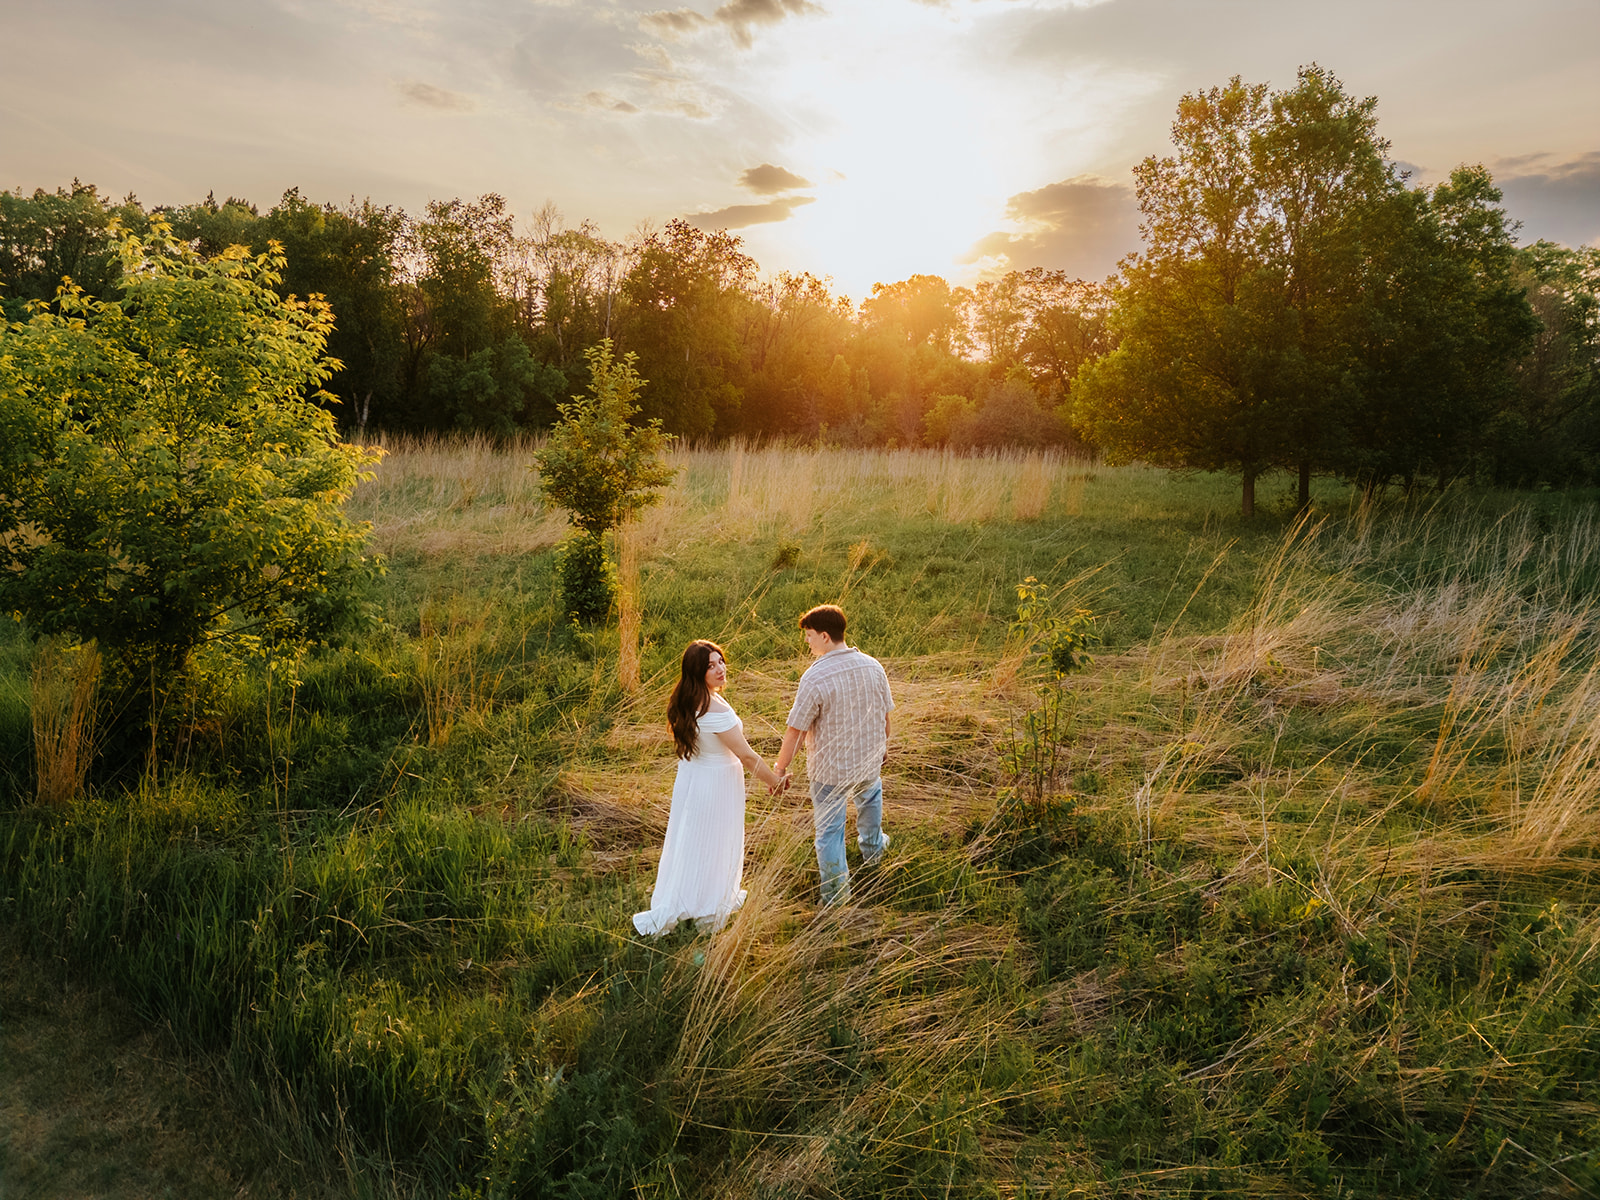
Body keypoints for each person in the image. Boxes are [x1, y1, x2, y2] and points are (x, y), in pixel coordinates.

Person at [633, 639, 786, 936]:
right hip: (716, 783)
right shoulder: (715, 709)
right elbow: (746, 755)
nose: (720, 669)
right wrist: (775, 782)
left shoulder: (688, 699)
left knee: (693, 842)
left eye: (720, 661)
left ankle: (696, 898)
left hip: (695, 778)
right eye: (710, 666)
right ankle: (709, 908)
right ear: (696, 672)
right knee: (716, 842)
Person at [774, 605, 895, 906]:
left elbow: (795, 731)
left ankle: (836, 896)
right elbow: (885, 717)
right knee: (870, 807)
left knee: (829, 832)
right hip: (868, 762)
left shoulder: (815, 677)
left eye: (810, 636)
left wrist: (779, 768)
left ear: (825, 636)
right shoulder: (873, 666)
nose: (807, 642)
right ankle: (873, 854)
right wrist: (883, 746)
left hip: (830, 770)